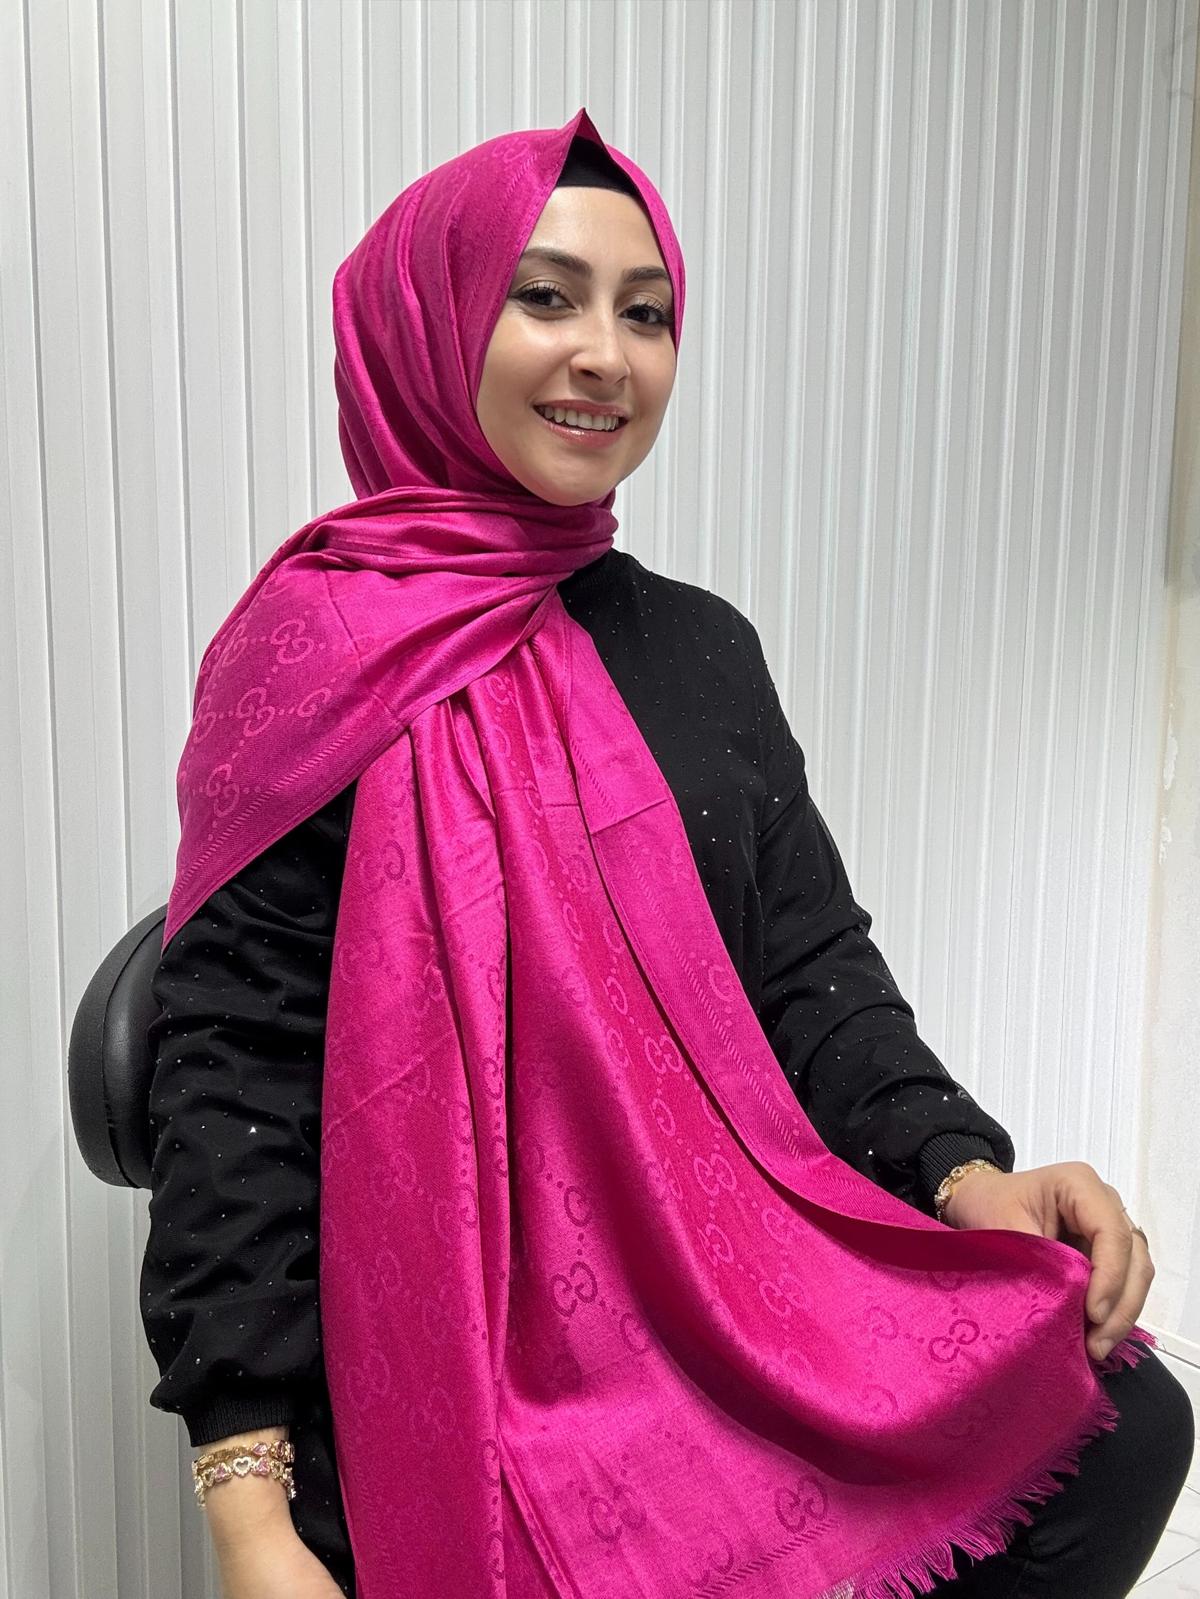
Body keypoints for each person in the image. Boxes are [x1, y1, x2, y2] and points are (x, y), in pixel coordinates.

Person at [141, 110, 1193, 1599]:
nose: (607, 357)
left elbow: (814, 969)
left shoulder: (699, 650)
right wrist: (250, 1513)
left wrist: (964, 1171)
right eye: (545, 297)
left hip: (716, 1296)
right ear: (426, 326)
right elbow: (233, 1080)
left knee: (1122, 1420)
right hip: (454, 1345)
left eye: (647, 315)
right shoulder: (308, 662)